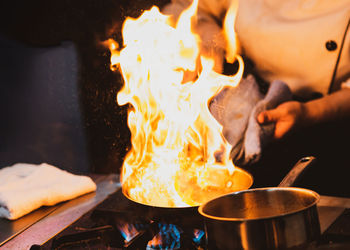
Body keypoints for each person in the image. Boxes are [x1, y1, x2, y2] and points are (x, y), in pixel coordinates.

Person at [163, 0, 350, 196]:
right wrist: (206, 42)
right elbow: (188, 8)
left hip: (329, 125)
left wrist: (309, 112)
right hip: (243, 90)